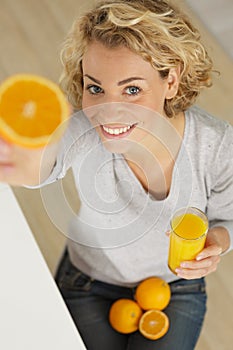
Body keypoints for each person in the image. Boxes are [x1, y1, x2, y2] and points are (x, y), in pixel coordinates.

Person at [1, 0, 233, 349]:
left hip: (174, 287)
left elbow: (229, 217)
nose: (109, 112)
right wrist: (19, 157)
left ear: (171, 80)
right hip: (88, 282)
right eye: (96, 88)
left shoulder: (215, 146)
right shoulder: (84, 131)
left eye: (132, 89)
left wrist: (218, 241)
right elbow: (42, 169)